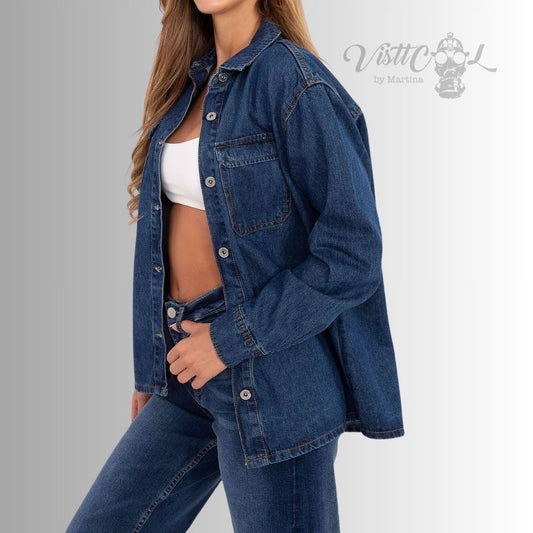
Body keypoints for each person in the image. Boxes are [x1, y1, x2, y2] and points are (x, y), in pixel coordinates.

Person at [67, 1, 405, 531]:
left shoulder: (295, 82)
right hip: (184, 368)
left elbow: (353, 251)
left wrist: (228, 340)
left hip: (272, 379)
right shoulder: (190, 81)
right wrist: (151, 367)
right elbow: (159, 236)